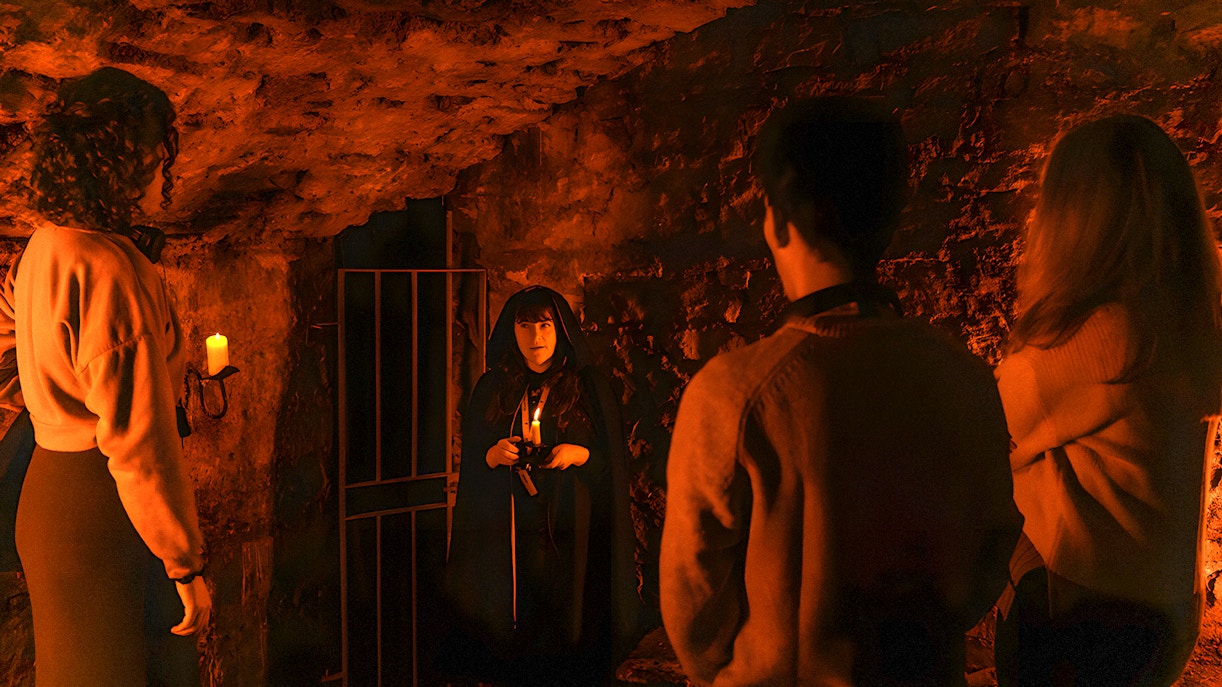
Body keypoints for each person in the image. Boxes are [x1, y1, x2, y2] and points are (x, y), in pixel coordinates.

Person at [659, 96, 1023, 686]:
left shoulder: (734, 393)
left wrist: (747, 668)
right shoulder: (964, 379)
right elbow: (989, 552)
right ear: (890, 217)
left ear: (777, 222)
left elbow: (692, 599)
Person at [993, 115, 1222, 687]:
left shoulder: (1105, 337)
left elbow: (997, 409)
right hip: (1164, 606)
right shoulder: (1190, 318)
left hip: (1085, 621)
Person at [0, 67, 210, 686]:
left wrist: (40, 393)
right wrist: (185, 565)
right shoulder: (110, 268)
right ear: (114, 158)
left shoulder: (46, 243)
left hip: (50, 495)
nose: (159, 169)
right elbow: (140, 447)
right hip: (101, 510)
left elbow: (15, 330)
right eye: (149, 150)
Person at [441, 285, 637, 686]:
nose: (536, 338)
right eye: (525, 326)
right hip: (510, 528)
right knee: (517, 619)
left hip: (572, 527)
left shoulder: (589, 387)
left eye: (545, 325)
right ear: (511, 332)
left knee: (568, 619)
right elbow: (478, 460)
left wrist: (578, 455)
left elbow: (612, 465)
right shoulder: (493, 388)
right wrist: (493, 456)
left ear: (560, 328)